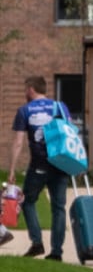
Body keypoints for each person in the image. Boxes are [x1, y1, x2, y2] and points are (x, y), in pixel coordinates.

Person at [7, 76, 70, 261]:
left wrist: (12, 169)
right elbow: (70, 134)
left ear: (31, 89)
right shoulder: (60, 107)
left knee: (27, 201)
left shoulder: (25, 110)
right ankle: (56, 252)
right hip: (61, 164)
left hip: (39, 165)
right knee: (59, 208)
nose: (25, 93)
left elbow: (18, 143)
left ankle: (37, 243)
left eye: (25, 89)